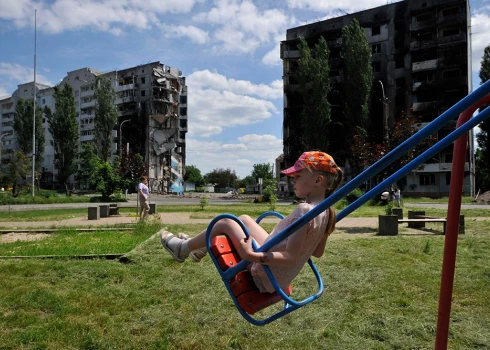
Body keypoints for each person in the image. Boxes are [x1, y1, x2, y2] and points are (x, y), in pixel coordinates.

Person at [160, 151, 344, 293]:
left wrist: (250, 255)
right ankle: (200, 247)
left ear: (318, 180)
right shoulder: (328, 211)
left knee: (226, 222)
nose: (292, 181)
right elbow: (318, 252)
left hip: (265, 274)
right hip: (276, 273)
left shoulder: (304, 210)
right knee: (244, 220)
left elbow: (290, 257)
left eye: (297, 177)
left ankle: (181, 249)